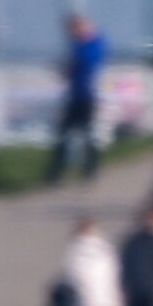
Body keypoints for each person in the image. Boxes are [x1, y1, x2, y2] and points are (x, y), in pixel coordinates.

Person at [47, 12, 106, 183]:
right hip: (74, 96)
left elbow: (88, 63)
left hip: (87, 96)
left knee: (87, 134)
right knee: (64, 135)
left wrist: (72, 65)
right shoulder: (77, 44)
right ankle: (55, 173)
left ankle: (90, 170)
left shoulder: (93, 44)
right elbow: (73, 68)